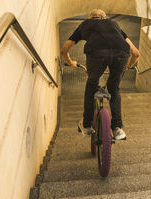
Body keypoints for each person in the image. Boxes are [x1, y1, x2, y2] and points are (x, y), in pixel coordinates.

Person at [60, 9, 140, 140]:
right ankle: (117, 128)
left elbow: (64, 50)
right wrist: (128, 66)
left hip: (97, 54)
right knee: (114, 88)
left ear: (90, 18)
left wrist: (71, 62)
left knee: (92, 84)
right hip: (122, 54)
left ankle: (86, 125)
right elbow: (136, 53)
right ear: (104, 18)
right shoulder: (114, 24)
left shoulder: (85, 24)